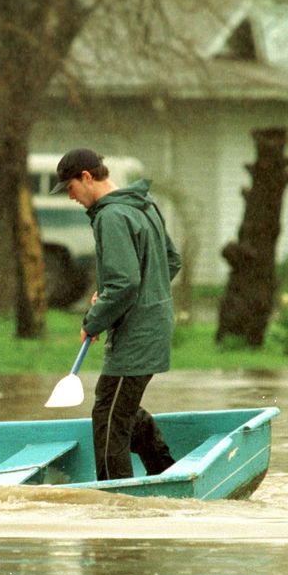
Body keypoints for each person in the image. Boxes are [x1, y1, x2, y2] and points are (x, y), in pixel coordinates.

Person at [51, 148, 182, 481]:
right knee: (119, 410)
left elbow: (125, 283)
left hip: (136, 337)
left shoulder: (110, 216)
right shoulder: (143, 205)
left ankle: (116, 499)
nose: (70, 197)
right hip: (153, 328)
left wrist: (95, 320)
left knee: (108, 418)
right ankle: (166, 471)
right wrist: (113, 296)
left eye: (70, 188)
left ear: (86, 177)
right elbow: (170, 262)